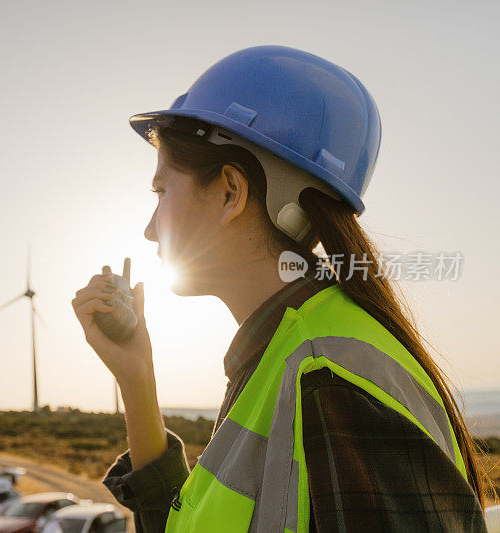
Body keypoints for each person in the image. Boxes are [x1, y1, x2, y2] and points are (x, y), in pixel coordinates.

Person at [71, 46, 491, 532]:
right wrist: (136, 377)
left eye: (161, 191)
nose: (149, 228)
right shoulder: (286, 355)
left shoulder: (329, 377)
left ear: (231, 191)